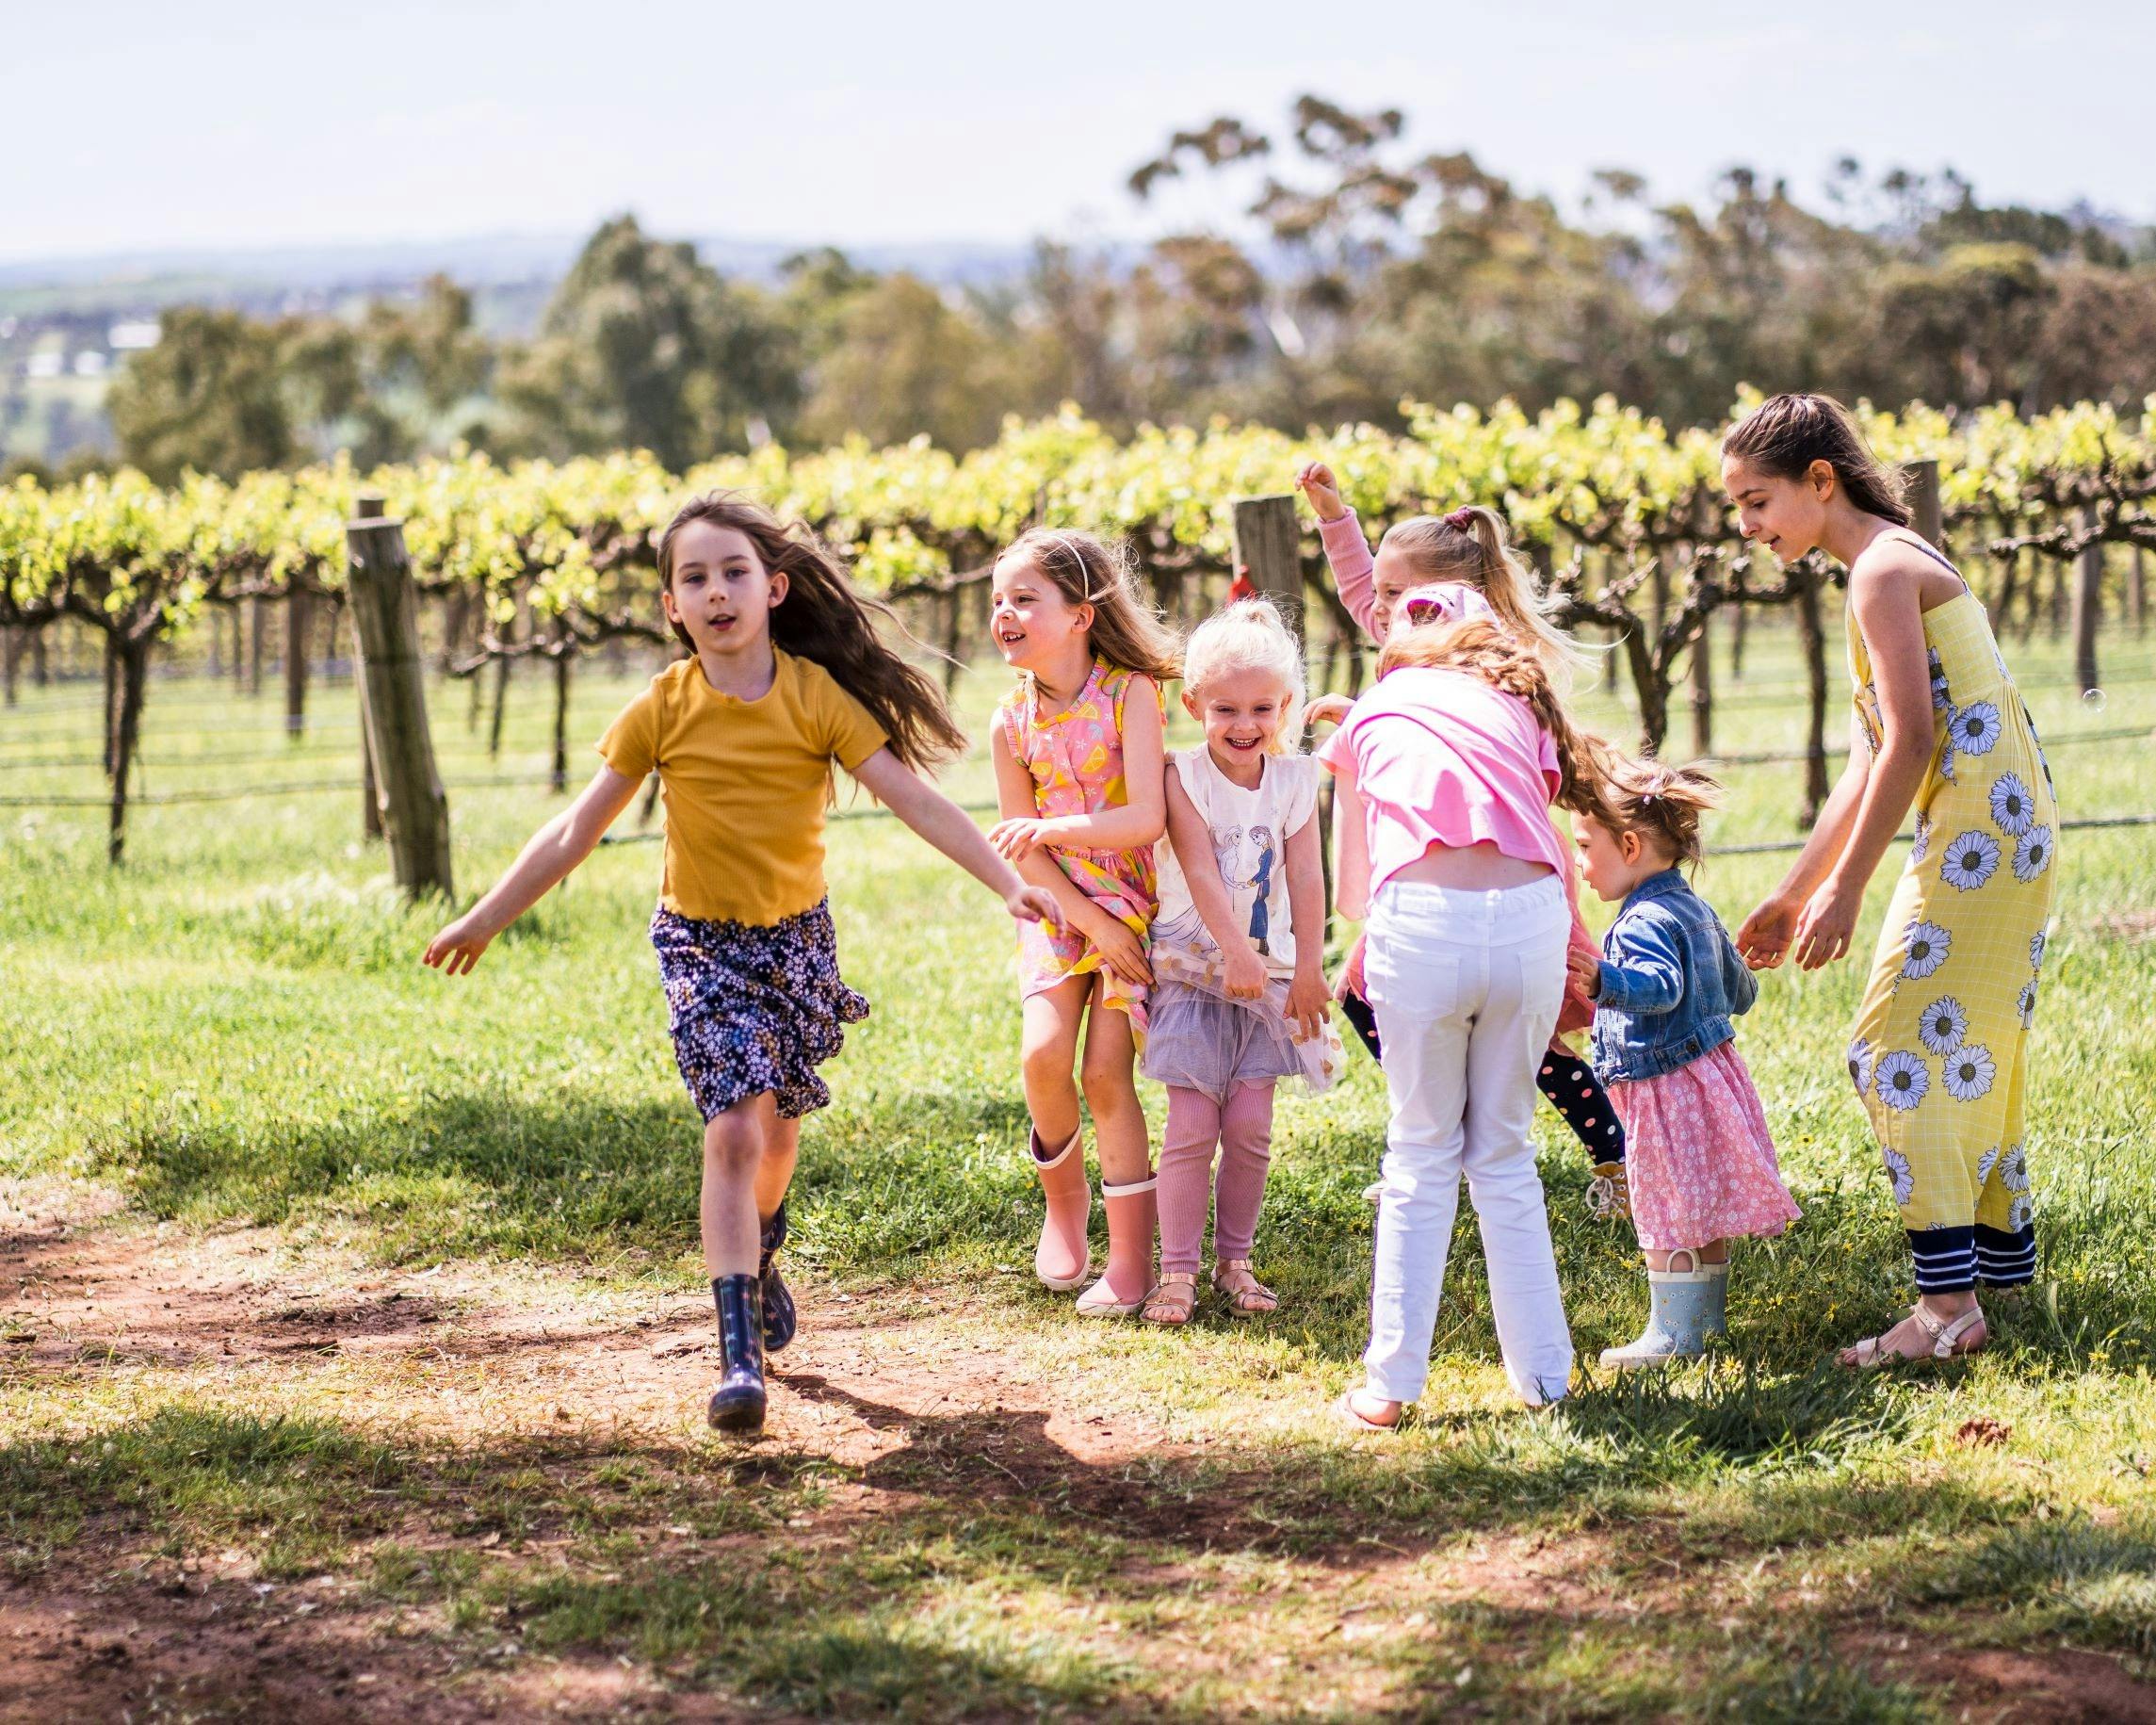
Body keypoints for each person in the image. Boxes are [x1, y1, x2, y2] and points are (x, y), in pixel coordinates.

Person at [423, 495, 1057, 1435]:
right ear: (672, 606)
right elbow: (572, 831)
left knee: (778, 1132)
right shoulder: (662, 708)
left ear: (774, 589)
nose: (716, 591)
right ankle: (736, 1356)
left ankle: (762, 1250)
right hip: (701, 943)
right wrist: (486, 915)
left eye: (733, 573)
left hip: (795, 942)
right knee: (732, 1131)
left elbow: (915, 801)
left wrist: (1005, 881)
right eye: (693, 578)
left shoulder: (816, 698)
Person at [1726, 394, 2055, 1366]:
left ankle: (1945, 1307)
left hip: (1978, 834)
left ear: (1819, 481)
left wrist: (1849, 888)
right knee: (1966, 1040)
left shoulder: (1880, 572)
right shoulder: (1881, 563)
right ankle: (1990, 1266)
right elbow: (1873, 752)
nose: (1746, 527)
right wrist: (1796, 889)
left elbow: (1913, 738)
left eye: (1757, 501)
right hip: (2000, 824)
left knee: (1896, 1045)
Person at [1293, 461, 1629, 1217]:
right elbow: (1362, 594)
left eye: (1393, 594)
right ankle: (1444, 1135)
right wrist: (1333, 516)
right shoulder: (1419, 632)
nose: (1377, 611)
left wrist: (1360, 718)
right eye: (1377, 593)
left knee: (1520, 1034)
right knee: (1377, 996)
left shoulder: (1487, 653)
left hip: (1493, 854)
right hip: (1432, 857)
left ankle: (1605, 1152)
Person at [1321, 585, 1615, 1426]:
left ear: (1395, 655)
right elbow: (1543, 832)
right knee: (1505, 1153)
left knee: (1419, 1151)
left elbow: (1352, 890)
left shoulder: (1372, 712)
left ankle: (1389, 1387)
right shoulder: (1514, 705)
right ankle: (1545, 1381)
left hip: (1423, 923)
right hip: (1532, 921)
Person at [987, 529, 1180, 1316]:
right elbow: (1018, 850)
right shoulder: (1009, 721)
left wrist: (1062, 838)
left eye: (1024, 597)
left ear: (1080, 613)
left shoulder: (1130, 692)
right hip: (1058, 909)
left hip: (1130, 906)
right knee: (1041, 1058)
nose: (1004, 612)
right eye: (997, 599)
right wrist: (1086, 921)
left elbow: (1143, 817)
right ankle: (1064, 1206)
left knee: (1105, 1074)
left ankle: (1131, 1261)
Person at [1136, 599, 1342, 1326]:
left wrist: (1307, 968)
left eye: (1261, 707)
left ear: (1284, 705)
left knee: (1252, 1125)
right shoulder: (1180, 774)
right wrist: (1232, 952)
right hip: (1195, 970)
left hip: (1270, 978)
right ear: (1193, 703)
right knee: (1192, 1125)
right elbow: (1195, 865)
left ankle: (1235, 1260)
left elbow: (1307, 876)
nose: (1244, 724)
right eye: (1225, 708)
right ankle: (1176, 1271)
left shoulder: (1293, 779)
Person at [1571, 761, 1799, 1365]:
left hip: (1663, 1087)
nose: (1580, 863)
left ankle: (1673, 1335)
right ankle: (1706, 1325)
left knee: (1668, 1209)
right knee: (1702, 1208)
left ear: (1629, 845)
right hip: (1711, 1080)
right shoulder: (1694, 908)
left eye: (1585, 847)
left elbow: (1662, 987)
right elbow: (1741, 994)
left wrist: (1604, 978)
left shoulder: (1642, 919)